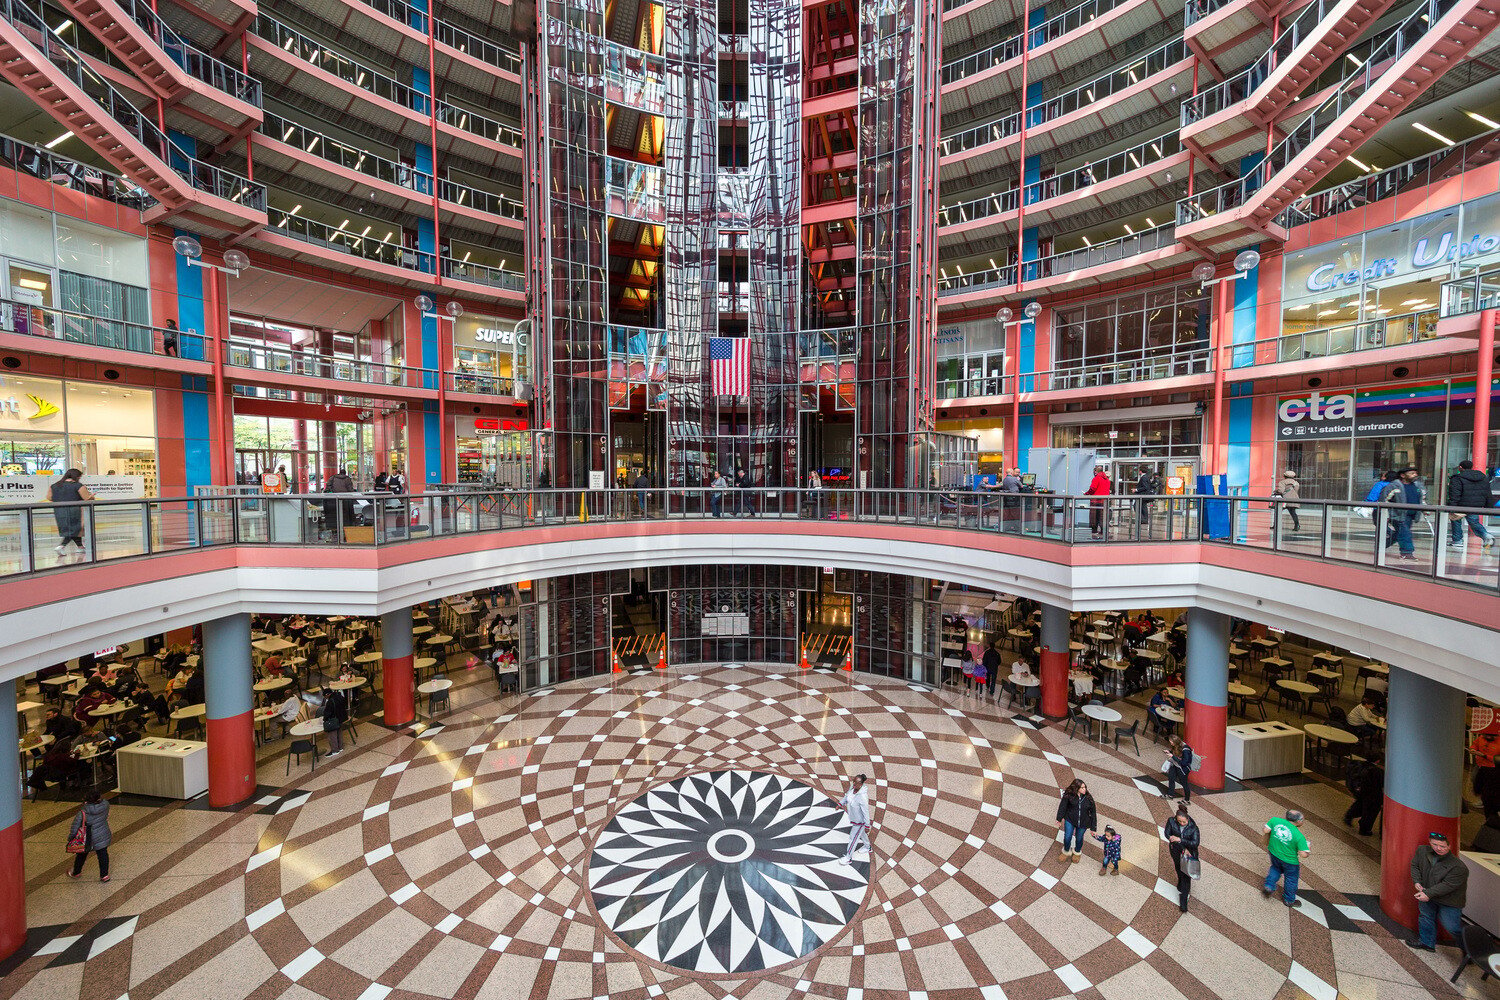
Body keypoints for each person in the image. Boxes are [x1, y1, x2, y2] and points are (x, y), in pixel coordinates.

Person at [1408, 831, 1467, 951]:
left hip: (1449, 901)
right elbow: (1415, 865)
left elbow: (1448, 885)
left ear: (1449, 846)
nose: (1438, 848)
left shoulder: (1459, 867)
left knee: (1452, 927)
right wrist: (1417, 881)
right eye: (1435, 844)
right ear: (1430, 842)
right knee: (1425, 917)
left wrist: (1427, 893)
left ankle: (1468, 949)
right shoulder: (1422, 851)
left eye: (1443, 846)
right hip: (1427, 893)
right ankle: (1427, 943)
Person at [1262, 809, 1310, 907]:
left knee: (1275, 868)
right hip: (1290, 861)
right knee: (1291, 879)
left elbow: (1265, 830)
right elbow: (1303, 854)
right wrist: (1308, 848)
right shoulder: (1299, 836)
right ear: (1299, 821)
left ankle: (1269, 886)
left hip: (1273, 853)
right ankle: (1289, 900)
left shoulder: (1274, 820)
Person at [1447, 459, 1494, 549]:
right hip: (1475, 506)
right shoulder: (1482, 477)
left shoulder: (1457, 478)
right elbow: (1488, 492)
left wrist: (1452, 507)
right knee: (1474, 523)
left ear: (1460, 467)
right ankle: (1486, 536)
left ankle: (1457, 541)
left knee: (1456, 521)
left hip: (1461, 506)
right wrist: (1489, 506)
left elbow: (1455, 494)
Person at [48, 469, 95, 558]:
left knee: (69, 528)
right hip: (75, 510)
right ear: (76, 477)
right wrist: (91, 497)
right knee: (75, 528)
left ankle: (80, 547)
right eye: (79, 477)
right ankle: (61, 546)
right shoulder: (78, 486)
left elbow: (49, 497)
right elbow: (86, 498)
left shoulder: (54, 486)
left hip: (59, 510)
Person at [68, 790, 112, 881]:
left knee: (81, 855)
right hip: (102, 834)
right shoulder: (105, 805)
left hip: (87, 837)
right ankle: (104, 875)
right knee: (103, 854)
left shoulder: (83, 812)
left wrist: (71, 837)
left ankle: (76, 872)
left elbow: (75, 827)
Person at [1383, 467, 1425, 560]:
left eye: (1415, 473)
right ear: (1402, 475)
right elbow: (1384, 499)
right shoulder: (1394, 486)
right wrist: (1386, 514)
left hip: (1411, 515)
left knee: (1400, 533)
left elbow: (1422, 499)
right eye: (1412, 473)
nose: (1415, 475)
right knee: (1405, 533)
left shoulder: (1418, 486)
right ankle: (1407, 552)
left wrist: (1426, 510)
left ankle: (1381, 545)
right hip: (1398, 515)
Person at [1164, 804, 1200, 912]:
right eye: (1179, 821)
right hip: (1176, 850)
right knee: (1178, 868)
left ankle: (1183, 900)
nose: (1182, 823)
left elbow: (1195, 843)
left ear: (1188, 819)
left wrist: (1179, 840)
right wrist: (1170, 837)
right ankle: (1180, 882)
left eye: (1184, 822)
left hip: (1189, 854)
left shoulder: (1193, 827)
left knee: (1186, 876)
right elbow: (1167, 833)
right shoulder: (1171, 821)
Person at [1054, 778, 1097, 863]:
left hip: (1083, 822)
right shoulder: (1069, 795)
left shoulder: (1088, 798)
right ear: (1076, 788)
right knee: (1067, 837)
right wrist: (1059, 819)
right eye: (1082, 788)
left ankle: (1077, 852)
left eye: (1085, 787)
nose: (1084, 789)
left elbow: (1093, 813)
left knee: (1079, 838)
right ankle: (1066, 851)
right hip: (1070, 819)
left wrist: (1093, 828)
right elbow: (1062, 807)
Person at [1343, 754, 1384, 836]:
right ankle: (1364, 829)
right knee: (1370, 812)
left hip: (1359, 791)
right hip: (1372, 795)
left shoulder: (1359, 765)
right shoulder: (1377, 771)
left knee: (1360, 804)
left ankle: (1349, 816)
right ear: (1378, 761)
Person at [839, 774, 872, 864]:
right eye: (853, 781)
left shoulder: (863, 797)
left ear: (861, 785)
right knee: (861, 835)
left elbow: (866, 812)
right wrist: (840, 804)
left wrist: (867, 825)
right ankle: (868, 847)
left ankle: (848, 858)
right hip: (854, 819)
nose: (853, 784)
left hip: (860, 822)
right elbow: (847, 797)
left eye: (855, 783)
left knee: (853, 838)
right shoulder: (852, 789)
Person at [1164, 735, 1194, 803]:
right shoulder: (1176, 746)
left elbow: (1184, 763)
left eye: (1171, 742)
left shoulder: (1185, 749)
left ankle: (1187, 800)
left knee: (1184, 783)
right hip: (1175, 765)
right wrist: (1169, 752)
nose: (1171, 743)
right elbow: (1176, 753)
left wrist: (1173, 756)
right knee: (1171, 778)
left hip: (1182, 769)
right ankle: (1170, 795)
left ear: (1175, 742)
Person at [1084, 466, 1112, 538]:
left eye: (1094, 471)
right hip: (1104, 501)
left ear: (1096, 471)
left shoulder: (1096, 478)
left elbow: (1092, 489)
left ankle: (1094, 531)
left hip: (1095, 500)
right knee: (1102, 517)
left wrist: (1087, 493)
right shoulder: (1107, 480)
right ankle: (1103, 530)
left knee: (1094, 517)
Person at [321, 685, 347, 757]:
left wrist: (325, 719)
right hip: (341, 718)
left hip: (334, 720)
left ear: (327, 695)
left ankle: (335, 750)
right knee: (339, 733)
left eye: (324, 696)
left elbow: (328, 713)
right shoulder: (339, 696)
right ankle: (340, 747)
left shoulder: (330, 701)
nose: (325, 698)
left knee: (332, 735)